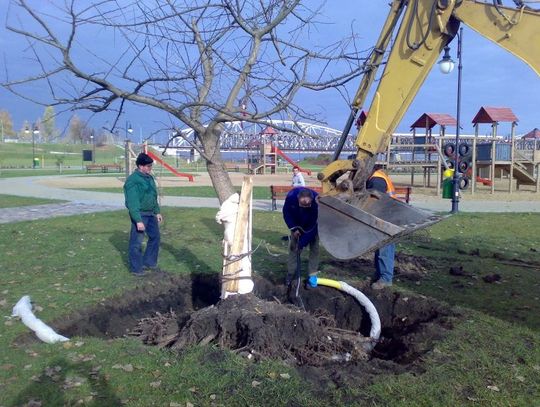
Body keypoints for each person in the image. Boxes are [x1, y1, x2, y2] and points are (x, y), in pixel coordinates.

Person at [123, 152, 163, 276]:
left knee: (155, 237)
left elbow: (153, 195)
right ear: (141, 166)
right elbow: (132, 202)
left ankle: (149, 262)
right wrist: (138, 220)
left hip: (151, 213)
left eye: (151, 166)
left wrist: (157, 211)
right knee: (136, 242)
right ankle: (136, 269)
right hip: (140, 214)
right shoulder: (133, 180)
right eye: (148, 166)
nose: (150, 168)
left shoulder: (149, 178)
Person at [282, 187, 319, 287]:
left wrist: (302, 244)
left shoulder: (317, 202)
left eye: (307, 205)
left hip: (312, 226)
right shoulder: (291, 197)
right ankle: (291, 273)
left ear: (311, 200)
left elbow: (314, 227)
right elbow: (286, 214)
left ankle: (312, 275)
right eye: (302, 204)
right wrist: (294, 229)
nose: (305, 206)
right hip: (296, 223)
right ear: (298, 199)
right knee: (293, 248)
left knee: (314, 249)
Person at [367, 165, 396, 290]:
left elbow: (376, 202)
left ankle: (385, 278)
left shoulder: (376, 181)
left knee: (385, 248)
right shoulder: (379, 175)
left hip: (385, 218)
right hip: (389, 214)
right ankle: (379, 274)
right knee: (381, 247)